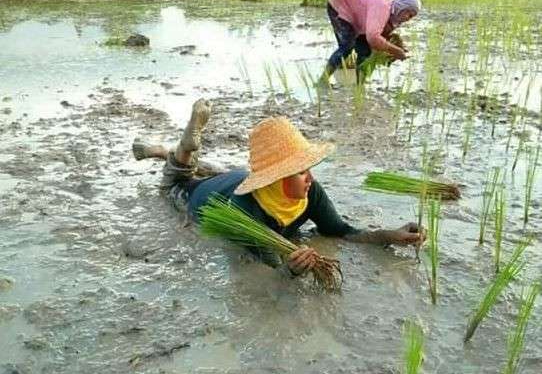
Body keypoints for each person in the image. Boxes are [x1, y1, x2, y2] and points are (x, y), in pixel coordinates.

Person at [132, 99, 426, 277]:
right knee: (176, 181)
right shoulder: (245, 215)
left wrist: (392, 235)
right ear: (277, 178)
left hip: (236, 178)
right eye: (300, 171)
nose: (309, 177)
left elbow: (342, 231)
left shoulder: (308, 191)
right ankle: (178, 148)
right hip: (202, 195)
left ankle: (163, 150)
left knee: (205, 168)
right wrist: (291, 271)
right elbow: (270, 269)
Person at [318, 0, 422, 85]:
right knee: (347, 46)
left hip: (359, 17)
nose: (409, 18)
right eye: (409, 13)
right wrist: (396, 50)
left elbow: (381, 37)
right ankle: (323, 80)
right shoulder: (382, 7)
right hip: (341, 3)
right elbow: (373, 38)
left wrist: (398, 48)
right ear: (402, 6)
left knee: (365, 51)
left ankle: (360, 85)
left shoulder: (395, 19)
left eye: (412, 17)